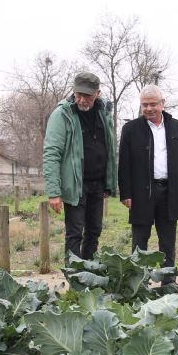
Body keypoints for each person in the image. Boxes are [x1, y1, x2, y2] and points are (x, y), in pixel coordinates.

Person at [118, 85, 178, 281]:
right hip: (142, 193)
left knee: (168, 240)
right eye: (144, 105)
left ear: (162, 104)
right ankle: (138, 282)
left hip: (169, 191)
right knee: (140, 240)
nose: (148, 109)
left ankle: (168, 282)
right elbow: (124, 164)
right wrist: (125, 193)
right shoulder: (130, 129)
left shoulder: (176, 127)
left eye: (152, 104)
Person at [42, 71, 116, 260]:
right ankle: (74, 277)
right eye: (78, 94)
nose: (82, 100)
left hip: (97, 184)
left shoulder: (103, 113)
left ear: (97, 94)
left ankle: (89, 273)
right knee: (75, 232)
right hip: (75, 184)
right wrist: (53, 192)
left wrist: (109, 182)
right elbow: (51, 153)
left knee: (94, 231)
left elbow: (109, 147)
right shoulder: (62, 114)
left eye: (87, 96)